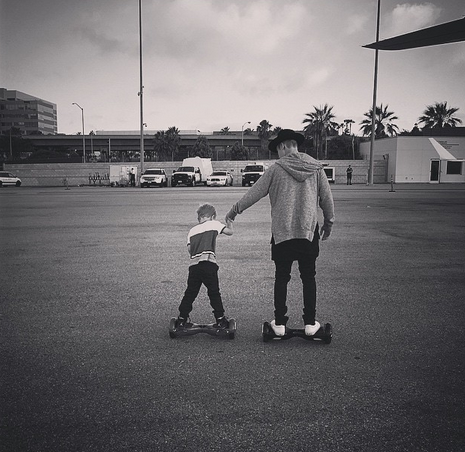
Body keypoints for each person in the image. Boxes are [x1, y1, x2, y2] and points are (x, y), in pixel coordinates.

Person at [225, 129, 334, 336]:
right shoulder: (316, 168)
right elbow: (327, 201)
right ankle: (311, 325)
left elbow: (254, 193)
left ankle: (280, 325)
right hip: (308, 234)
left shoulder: (276, 170)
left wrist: (234, 211)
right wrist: (328, 225)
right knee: (308, 277)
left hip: (282, 235)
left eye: (277, 150)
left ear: (283, 146)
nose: (277, 155)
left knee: (282, 278)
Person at [176, 203, 234, 328]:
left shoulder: (192, 231)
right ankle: (220, 319)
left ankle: (181, 318)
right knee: (214, 292)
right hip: (208, 264)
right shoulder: (214, 224)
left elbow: (190, 250)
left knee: (190, 293)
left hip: (194, 267)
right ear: (212, 216)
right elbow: (230, 232)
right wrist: (229, 222)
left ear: (200, 217)